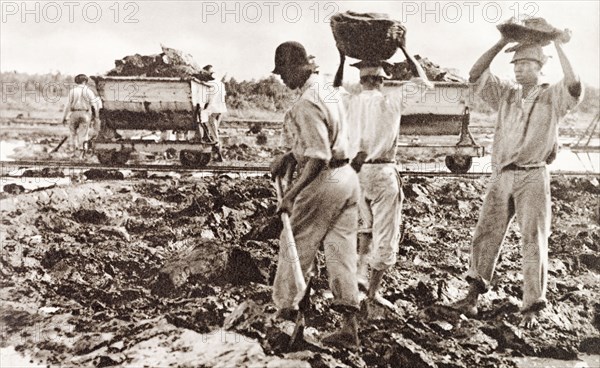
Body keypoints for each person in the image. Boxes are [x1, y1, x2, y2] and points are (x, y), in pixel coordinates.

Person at [454, 30, 582, 328]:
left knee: (533, 239)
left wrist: (559, 45)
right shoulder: (507, 93)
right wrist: (499, 42)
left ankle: (532, 306)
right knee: (486, 233)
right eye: (516, 65)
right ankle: (471, 297)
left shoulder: (553, 95)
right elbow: (476, 74)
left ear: (540, 67)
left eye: (526, 64)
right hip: (502, 175)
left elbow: (574, 84)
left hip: (533, 175)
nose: (519, 69)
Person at [270, 41, 361, 348]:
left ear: (299, 68)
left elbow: (319, 155)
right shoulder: (327, 91)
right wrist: (289, 156)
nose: (282, 78)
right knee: (341, 253)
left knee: (294, 244)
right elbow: (324, 141)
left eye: (284, 71)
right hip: (347, 179)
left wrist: (291, 194)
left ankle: (285, 315)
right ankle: (350, 329)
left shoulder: (306, 102)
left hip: (323, 180)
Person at [343, 59, 432, 314]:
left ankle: (359, 275)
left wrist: (340, 59)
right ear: (381, 81)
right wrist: (405, 49)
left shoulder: (350, 102)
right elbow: (423, 82)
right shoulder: (390, 101)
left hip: (357, 172)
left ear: (361, 80)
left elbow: (335, 87)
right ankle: (372, 293)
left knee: (365, 226)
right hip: (382, 171)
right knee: (386, 233)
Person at [61, 74, 102, 152]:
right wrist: (96, 117)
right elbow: (94, 105)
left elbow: (68, 106)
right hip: (85, 114)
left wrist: (64, 117)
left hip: (74, 113)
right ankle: (82, 152)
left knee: (72, 133)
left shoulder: (72, 91)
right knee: (83, 134)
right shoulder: (89, 91)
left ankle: (73, 151)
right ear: (85, 81)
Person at [200, 65, 227, 161]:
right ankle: (218, 154)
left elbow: (207, 99)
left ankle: (217, 153)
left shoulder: (208, 84)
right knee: (214, 131)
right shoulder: (220, 84)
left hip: (212, 109)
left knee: (212, 132)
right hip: (220, 109)